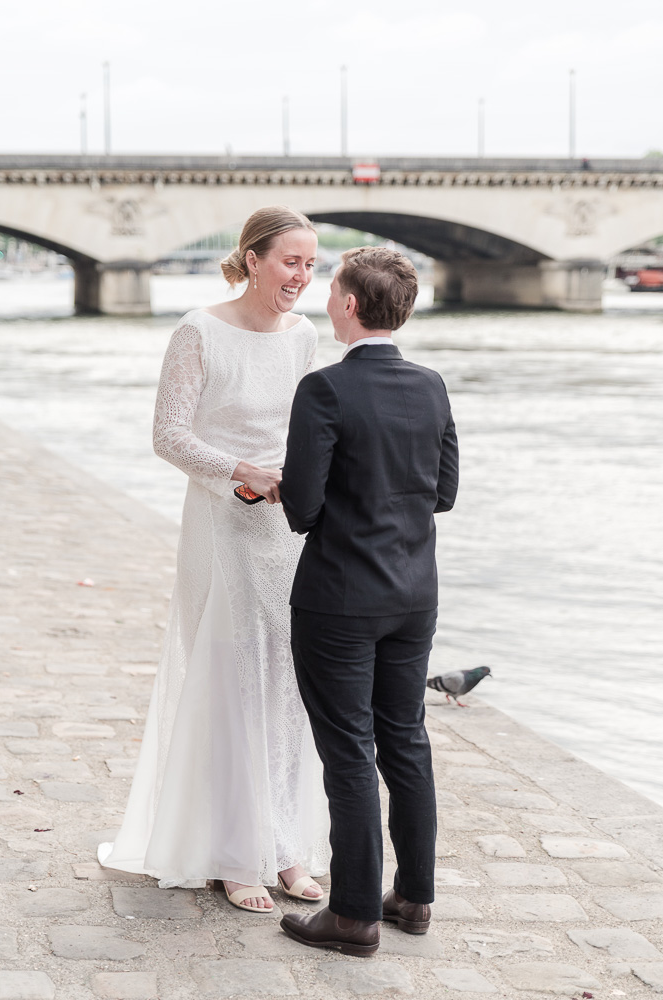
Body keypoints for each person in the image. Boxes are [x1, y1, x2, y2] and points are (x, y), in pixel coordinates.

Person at [98, 206, 330, 913]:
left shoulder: (304, 336)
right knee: (233, 680)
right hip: (221, 524)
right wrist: (239, 472)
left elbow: (309, 432)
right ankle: (234, 853)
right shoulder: (198, 330)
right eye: (290, 261)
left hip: (286, 531)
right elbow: (167, 436)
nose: (300, 276)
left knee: (288, 685)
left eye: (311, 265)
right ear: (253, 259)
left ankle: (285, 844)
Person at [278, 246, 459, 955]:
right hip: (414, 594)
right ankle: (412, 899)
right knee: (406, 739)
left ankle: (353, 914)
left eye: (332, 289)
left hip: (338, 600)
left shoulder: (324, 390)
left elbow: (301, 506)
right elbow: (442, 492)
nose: (324, 297)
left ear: (350, 305)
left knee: (349, 752)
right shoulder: (431, 386)